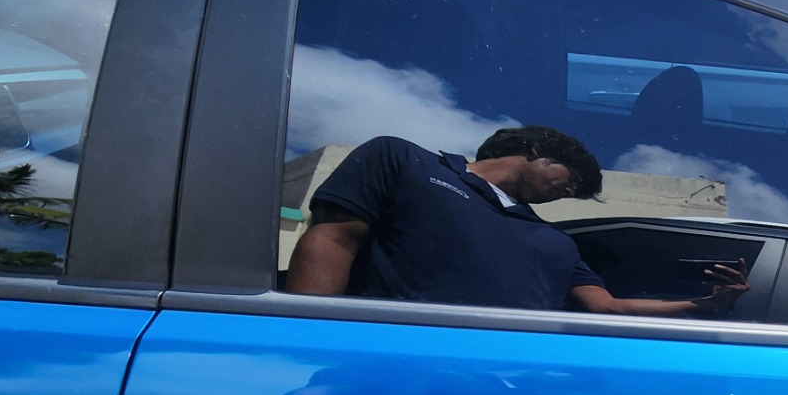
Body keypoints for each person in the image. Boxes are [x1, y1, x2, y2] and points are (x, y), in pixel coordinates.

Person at [286, 125, 747, 313]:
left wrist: (704, 304)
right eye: (573, 180)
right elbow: (334, 239)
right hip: (388, 367)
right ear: (536, 150)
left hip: (508, 388)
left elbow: (608, 308)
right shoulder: (405, 161)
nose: (572, 193)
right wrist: (305, 333)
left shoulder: (555, 242)